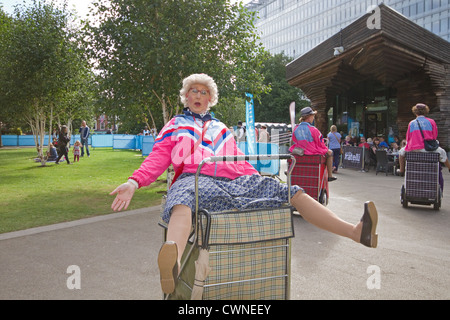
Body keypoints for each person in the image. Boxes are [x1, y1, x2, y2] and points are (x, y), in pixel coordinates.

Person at [109, 74, 378, 295]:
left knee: (290, 192)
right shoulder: (174, 126)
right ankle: (173, 266)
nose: (199, 95)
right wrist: (134, 182)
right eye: (194, 91)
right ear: (186, 97)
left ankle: (356, 231)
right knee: (183, 200)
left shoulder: (222, 128)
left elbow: (238, 160)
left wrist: (260, 178)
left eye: (204, 92)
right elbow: (157, 158)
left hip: (234, 180)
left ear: (211, 98)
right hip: (195, 178)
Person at [397, 103, 450, 175]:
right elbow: (434, 136)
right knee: (443, 152)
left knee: (401, 153)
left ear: (415, 112)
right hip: (428, 148)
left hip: (414, 148)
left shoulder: (411, 123)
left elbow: (408, 137)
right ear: (426, 111)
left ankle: (401, 170)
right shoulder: (431, 121)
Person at [290, 107, 337, 181]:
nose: (313, 118)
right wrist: (325, 148)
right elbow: (320, 144)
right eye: (312, 116)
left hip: (299, 152)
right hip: (312, 152)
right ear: (308, 117)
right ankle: (330, 176)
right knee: (330, 152)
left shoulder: (295, 129)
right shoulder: (314, 130)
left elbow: (293, 141)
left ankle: (290, 170)